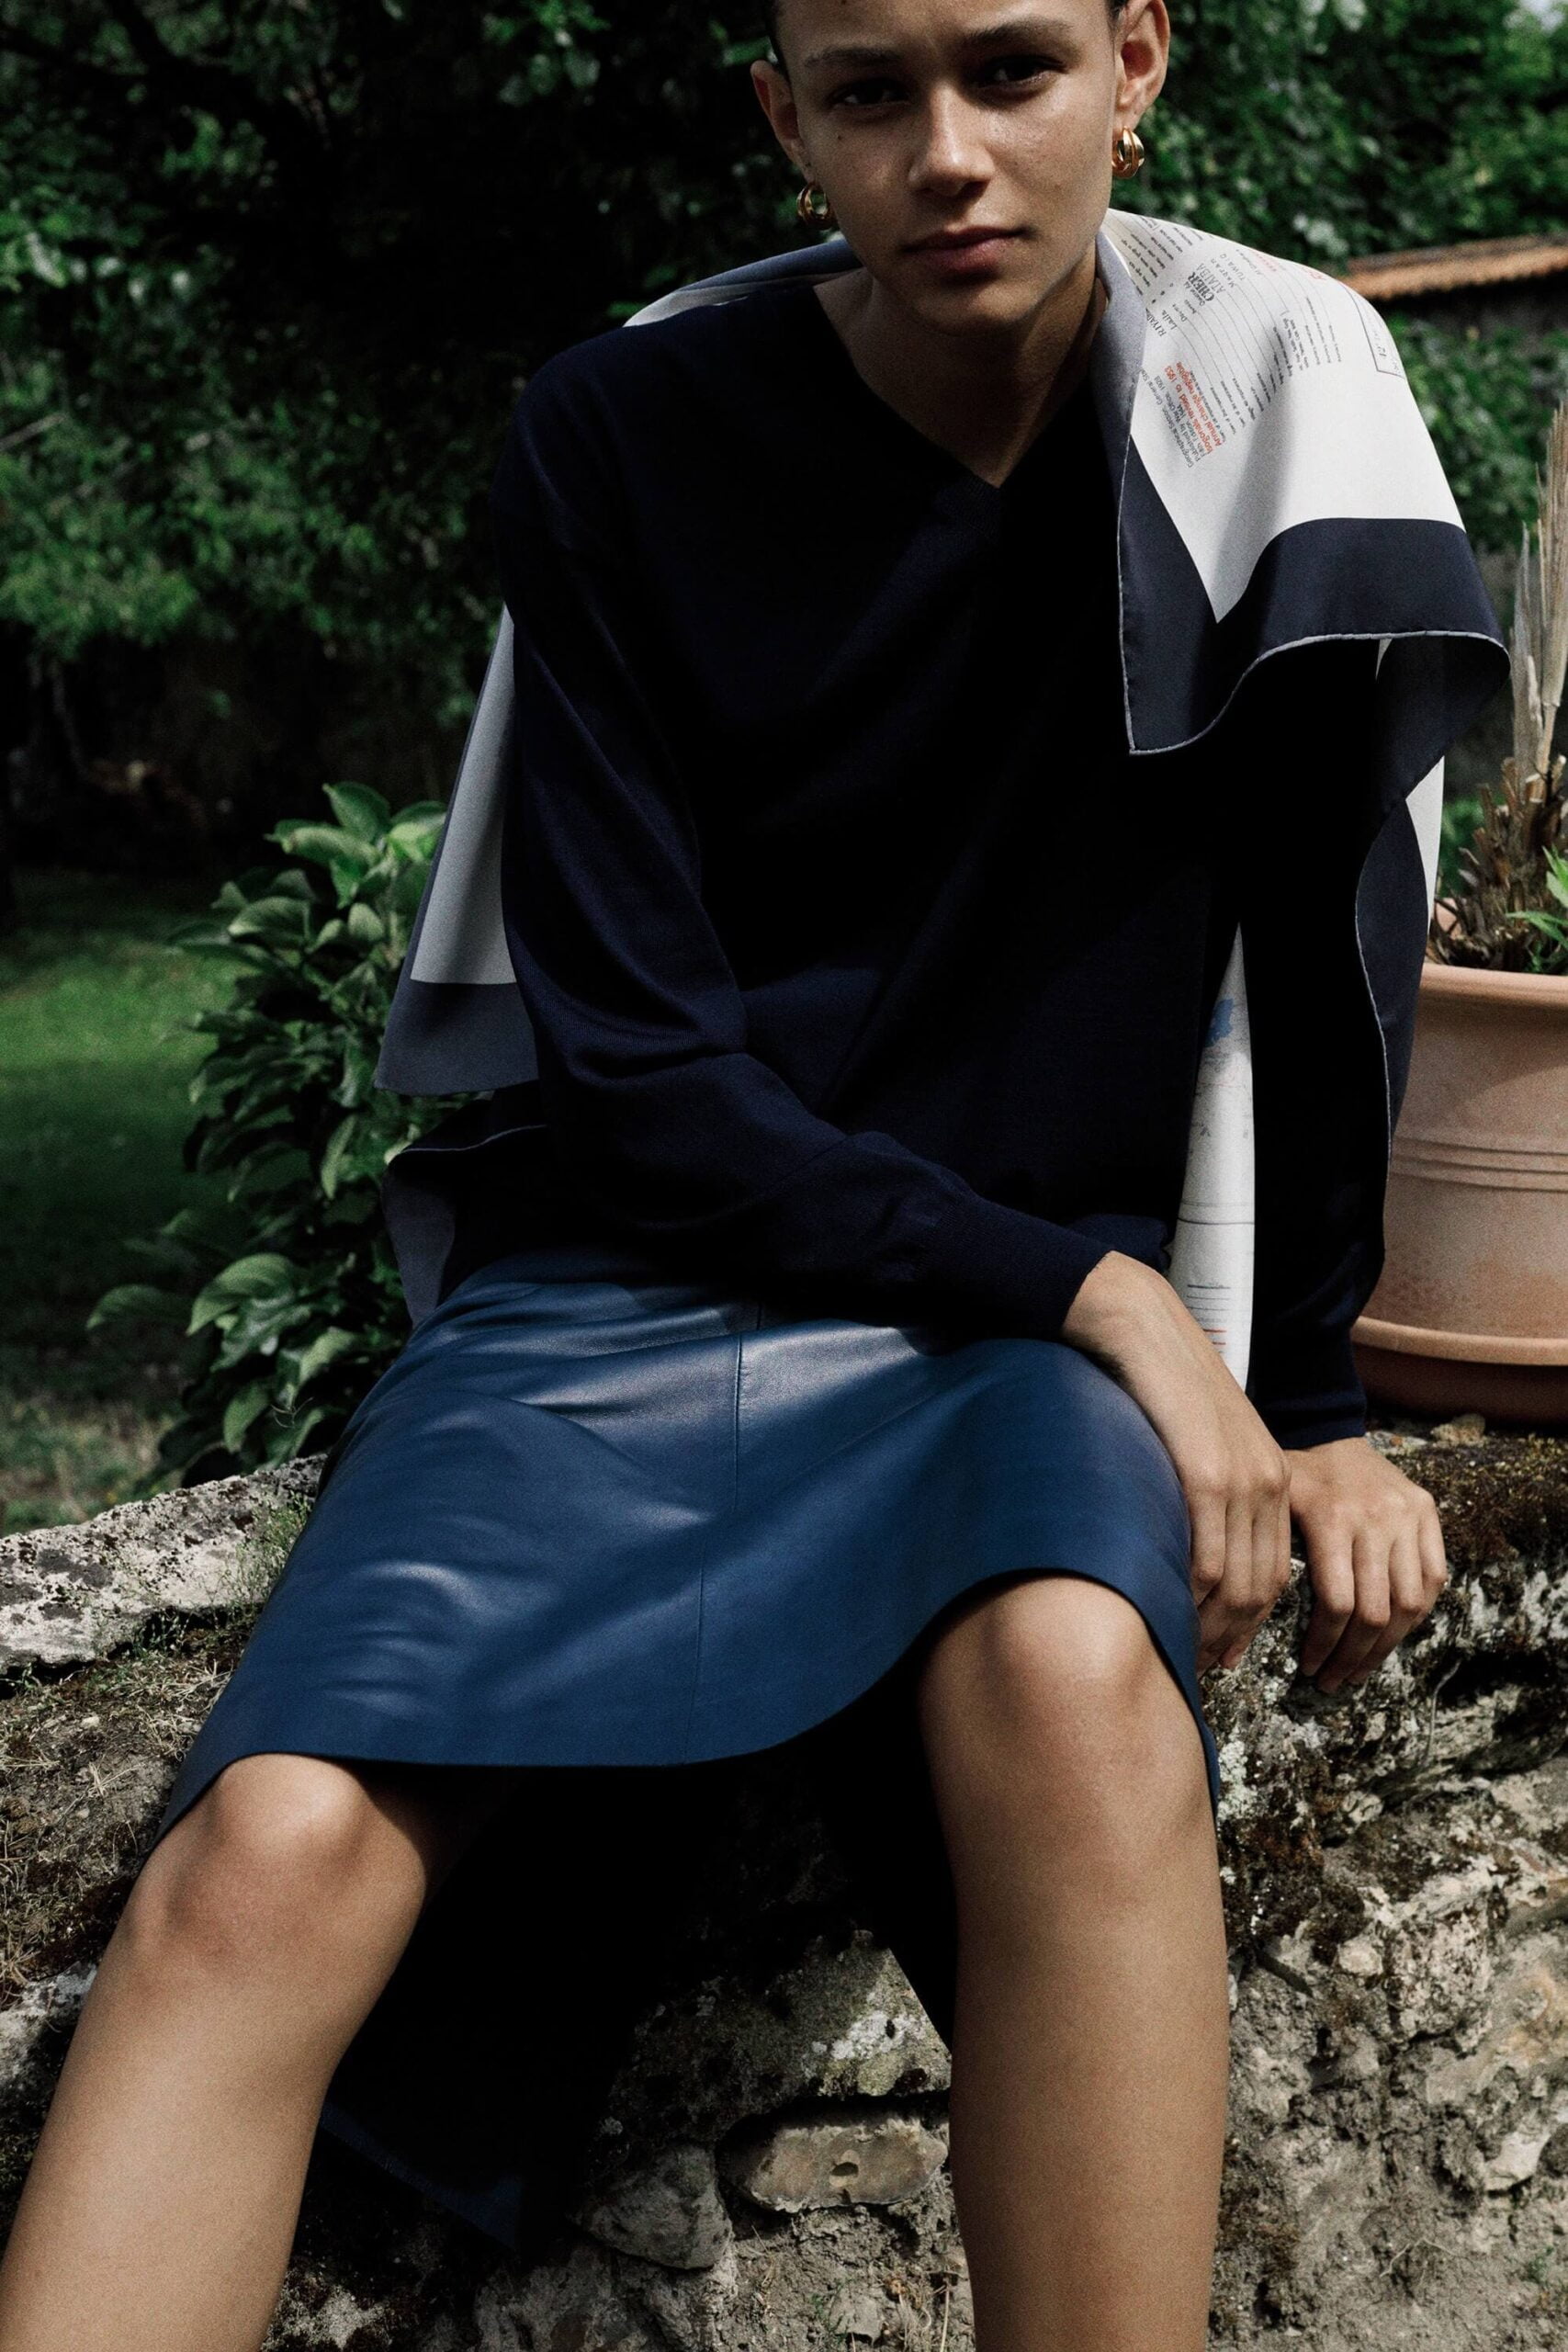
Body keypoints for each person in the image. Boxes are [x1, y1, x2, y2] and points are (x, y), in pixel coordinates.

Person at [0, 4, 1506, 2348]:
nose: (947, 154)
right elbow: (638, 1079)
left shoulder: (1272, 409)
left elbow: (1327, 963)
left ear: (1136, 64)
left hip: (1000, 1325)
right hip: (650, 1266)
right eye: (870, 91)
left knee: (1072, 1681)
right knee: (264, 1857)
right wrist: (1118, 1304)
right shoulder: (617, 432)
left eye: (1010, 70)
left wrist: (1300, 1397)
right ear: (778, 114)